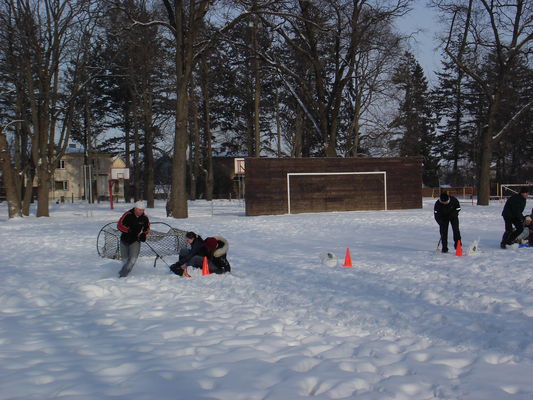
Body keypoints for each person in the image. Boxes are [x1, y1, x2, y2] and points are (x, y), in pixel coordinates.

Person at [117, 200, 150, 277]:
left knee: (132, 260)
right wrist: (128, 230)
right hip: (124, 240)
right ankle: (123, 274)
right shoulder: (127, 214)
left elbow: (147, 228)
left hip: (135, 241)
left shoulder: (144, 218)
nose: (141, 212)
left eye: (143, 210)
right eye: (139, 210)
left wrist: (144, 234)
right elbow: (119, 225)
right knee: (125, 260)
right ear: (135, 208)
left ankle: (122, 276)